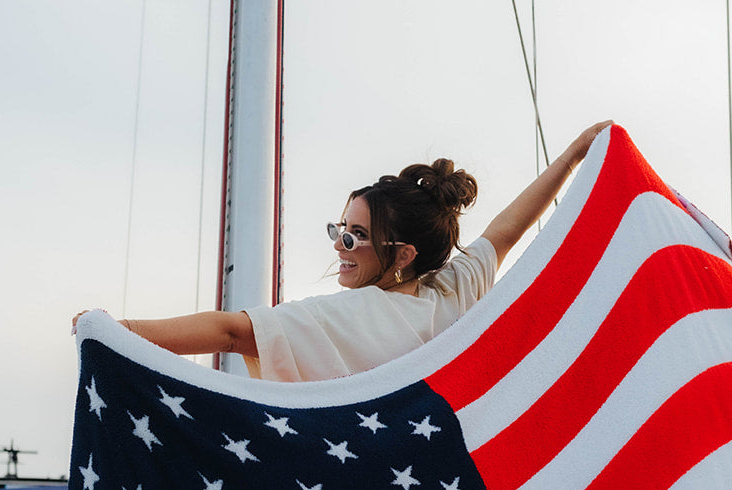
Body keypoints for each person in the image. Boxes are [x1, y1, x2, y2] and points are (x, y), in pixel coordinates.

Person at [75, 122, 611, 382]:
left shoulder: (342, 316)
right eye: (339, 228)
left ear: (401, 254)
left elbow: (231, 332)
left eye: (353, 236)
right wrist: (574, 155)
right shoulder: (453, 290)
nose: (339, 245)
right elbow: (505, 231)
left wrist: (121, 331)